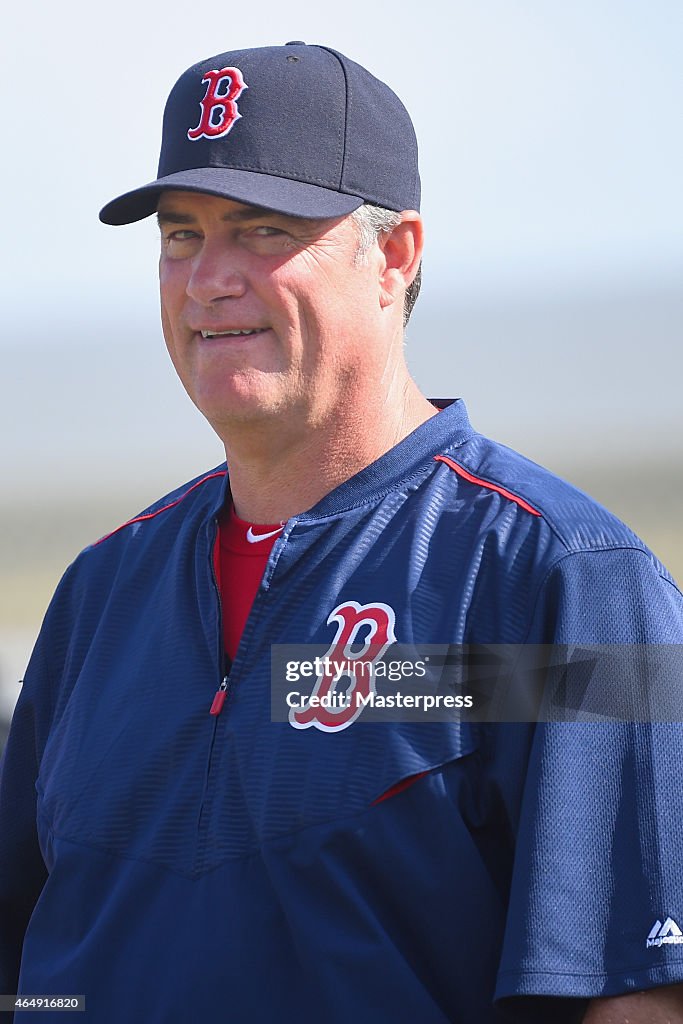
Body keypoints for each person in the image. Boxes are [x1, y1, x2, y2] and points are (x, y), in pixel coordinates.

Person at [1, 41, 683, 1024]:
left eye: (262, 229)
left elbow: (635, 998)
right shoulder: (100, 594)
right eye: (182, 236)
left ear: (393, 255)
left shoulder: (575, 585)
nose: (207, 280)